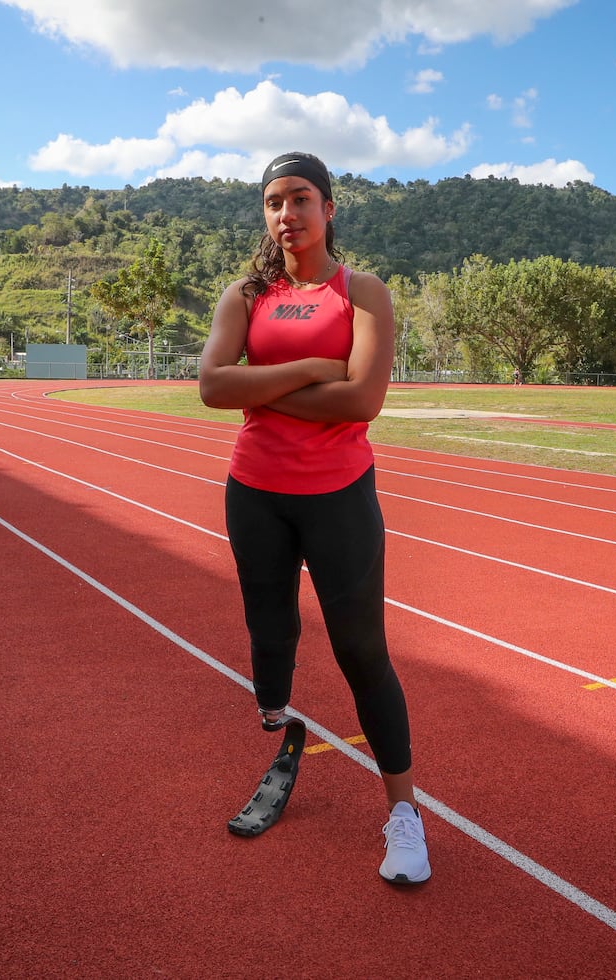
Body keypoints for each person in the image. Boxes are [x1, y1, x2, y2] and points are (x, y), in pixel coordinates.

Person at [199, 152, 431, 885]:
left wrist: (258, 389)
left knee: (362, 651)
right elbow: (210, 383)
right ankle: (279, 723)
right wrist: (309, 372)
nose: (285, 214)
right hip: (255, 492)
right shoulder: (245, 294)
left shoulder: (362, 293)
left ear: (329, 208)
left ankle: (405, 816)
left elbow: (362, 402)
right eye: (273, 202)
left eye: (300, 198)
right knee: (270, 635)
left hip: (338, 495)